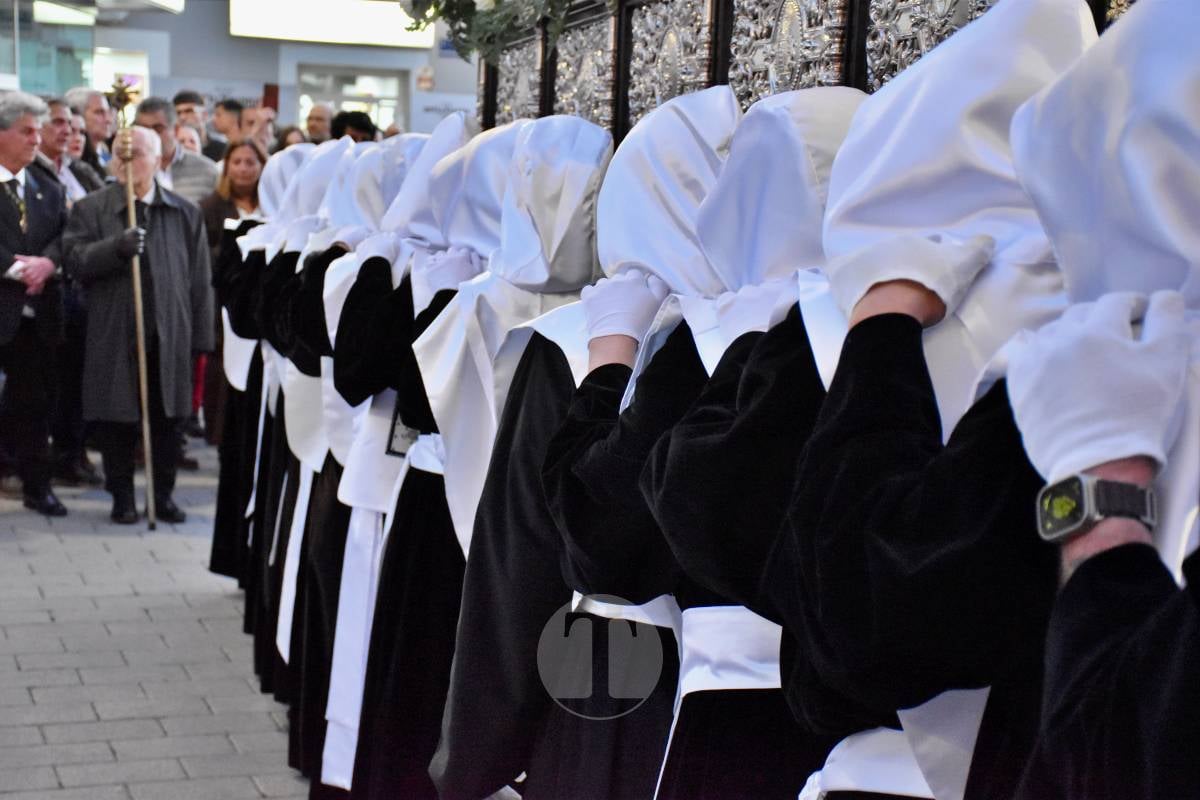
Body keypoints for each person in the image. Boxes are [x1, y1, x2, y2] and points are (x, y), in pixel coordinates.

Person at [62, 125, 213, 525]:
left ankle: (162, 495)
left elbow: (199, 280)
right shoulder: (91, 209)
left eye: (138, 155)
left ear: (159, 159)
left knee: (168, 419)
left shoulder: (183, 211)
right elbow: (74, 261)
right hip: (115, 330)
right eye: (120, 156)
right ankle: (122, 496)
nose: (128, 164)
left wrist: (201, 337)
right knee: (118, 419)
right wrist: (114, 248)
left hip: (169, 331)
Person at [29, 97, 104, 489]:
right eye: (59, 124)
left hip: (83, 290)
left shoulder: (83, 173)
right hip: (45, 288)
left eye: (74, 128)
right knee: (47, 384)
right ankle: (41, 459)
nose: (68, 133)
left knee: (78, 380)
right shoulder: (30, 173)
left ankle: (73, 452)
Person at [0, 91, 69, 517]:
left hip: (36, 318)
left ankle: (36, 486)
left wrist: (49, 263)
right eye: (26, 131)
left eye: (38, 132)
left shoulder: (48, 188)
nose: (36, 140)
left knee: (34, 405)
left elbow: (67, 237)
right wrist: (11, 267)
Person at [198, 138, 267, 444]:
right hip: (223, 301)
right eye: (236, 162)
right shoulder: (211, 207)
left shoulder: (272, 204)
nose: (242, 169)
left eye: (250, 162)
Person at [133, 96, 219, 207]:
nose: (150, 135)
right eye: (144, 129)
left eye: (158, 129)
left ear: (176, 129)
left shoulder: (207, 170)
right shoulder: (127, 170)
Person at [64, 86, 112, 172]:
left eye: (108, 112)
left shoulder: (106, 153)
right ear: (77, 114)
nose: (108, 120)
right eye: (99, 112)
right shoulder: (72, 155)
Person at [173, 89, 226, 163]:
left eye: (189, 111)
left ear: (204, 114)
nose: (182, 117)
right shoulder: (171, 150)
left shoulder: (223, 150)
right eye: (178, 113)